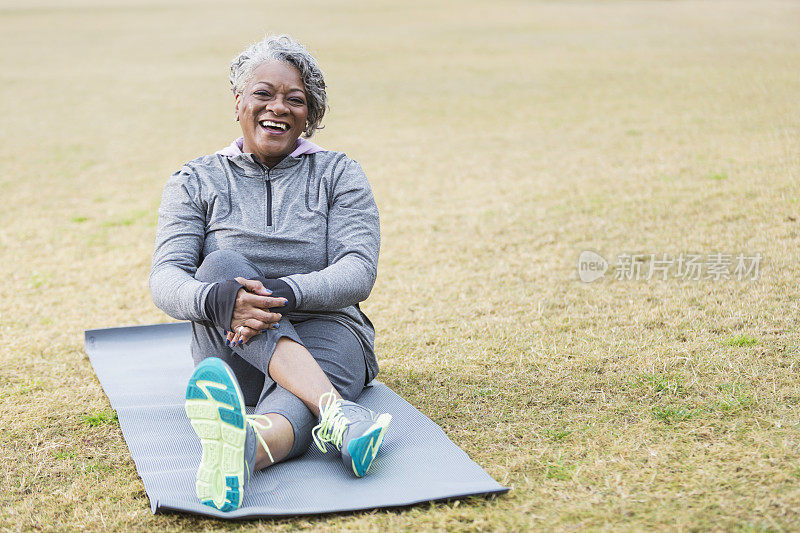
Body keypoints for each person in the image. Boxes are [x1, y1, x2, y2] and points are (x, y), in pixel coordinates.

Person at [149, 35, 391, 512]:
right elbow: (165, 277)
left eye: (294, 100)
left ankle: (245, 448)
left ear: (310, 116)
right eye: (263, 93)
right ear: (238, 100)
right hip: (233, 345)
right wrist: (216, 301)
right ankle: (337, 414)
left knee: (300, 386)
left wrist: (281, 293)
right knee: (221, 267)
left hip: (329, 331)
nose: (277, 108)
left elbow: (357, 271)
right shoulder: (195, 179)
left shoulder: (339, 173)